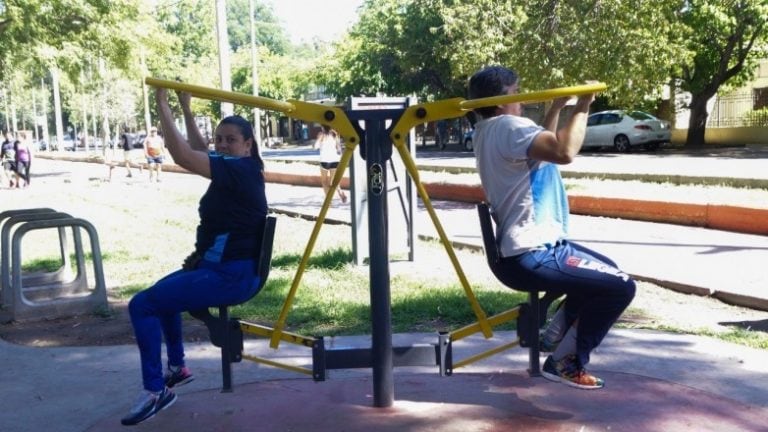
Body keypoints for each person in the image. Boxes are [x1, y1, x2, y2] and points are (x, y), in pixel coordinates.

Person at [467, 66, 636, 390]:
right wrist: (583, 105)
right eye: (516, 91)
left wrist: (556, 108)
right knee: (621, 287)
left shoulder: (487, 130)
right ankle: (564, 361)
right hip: (533, 252)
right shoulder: (510, 126)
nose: (521, 99)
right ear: (502, 100)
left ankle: (555, 337)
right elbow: (563, 151)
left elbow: (540, 152)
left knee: (607, 273)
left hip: (533, 247)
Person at [120, 88, 269, 426]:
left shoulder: (240, 170)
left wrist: (161, 104)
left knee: (142, 305)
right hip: (222, 269)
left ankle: (156, 391)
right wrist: (186, 108)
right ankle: (177, 368)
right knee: (162, 296)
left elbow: (186, 157)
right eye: (220, 138)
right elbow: (201, 150)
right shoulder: (236, 167)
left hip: (232, 276)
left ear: (248, 145)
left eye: (231, 139)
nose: (223, 145)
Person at [313, 125, 348, 203]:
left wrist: (319, 139)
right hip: (335, 160)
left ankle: (328, 200)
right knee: (334, 181)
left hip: (324, 160)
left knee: (324, 181)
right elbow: (339, 149)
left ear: (323, 127)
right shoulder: (335, 134)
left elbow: (315, 147)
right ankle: (341, 193)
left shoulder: (321, 135)